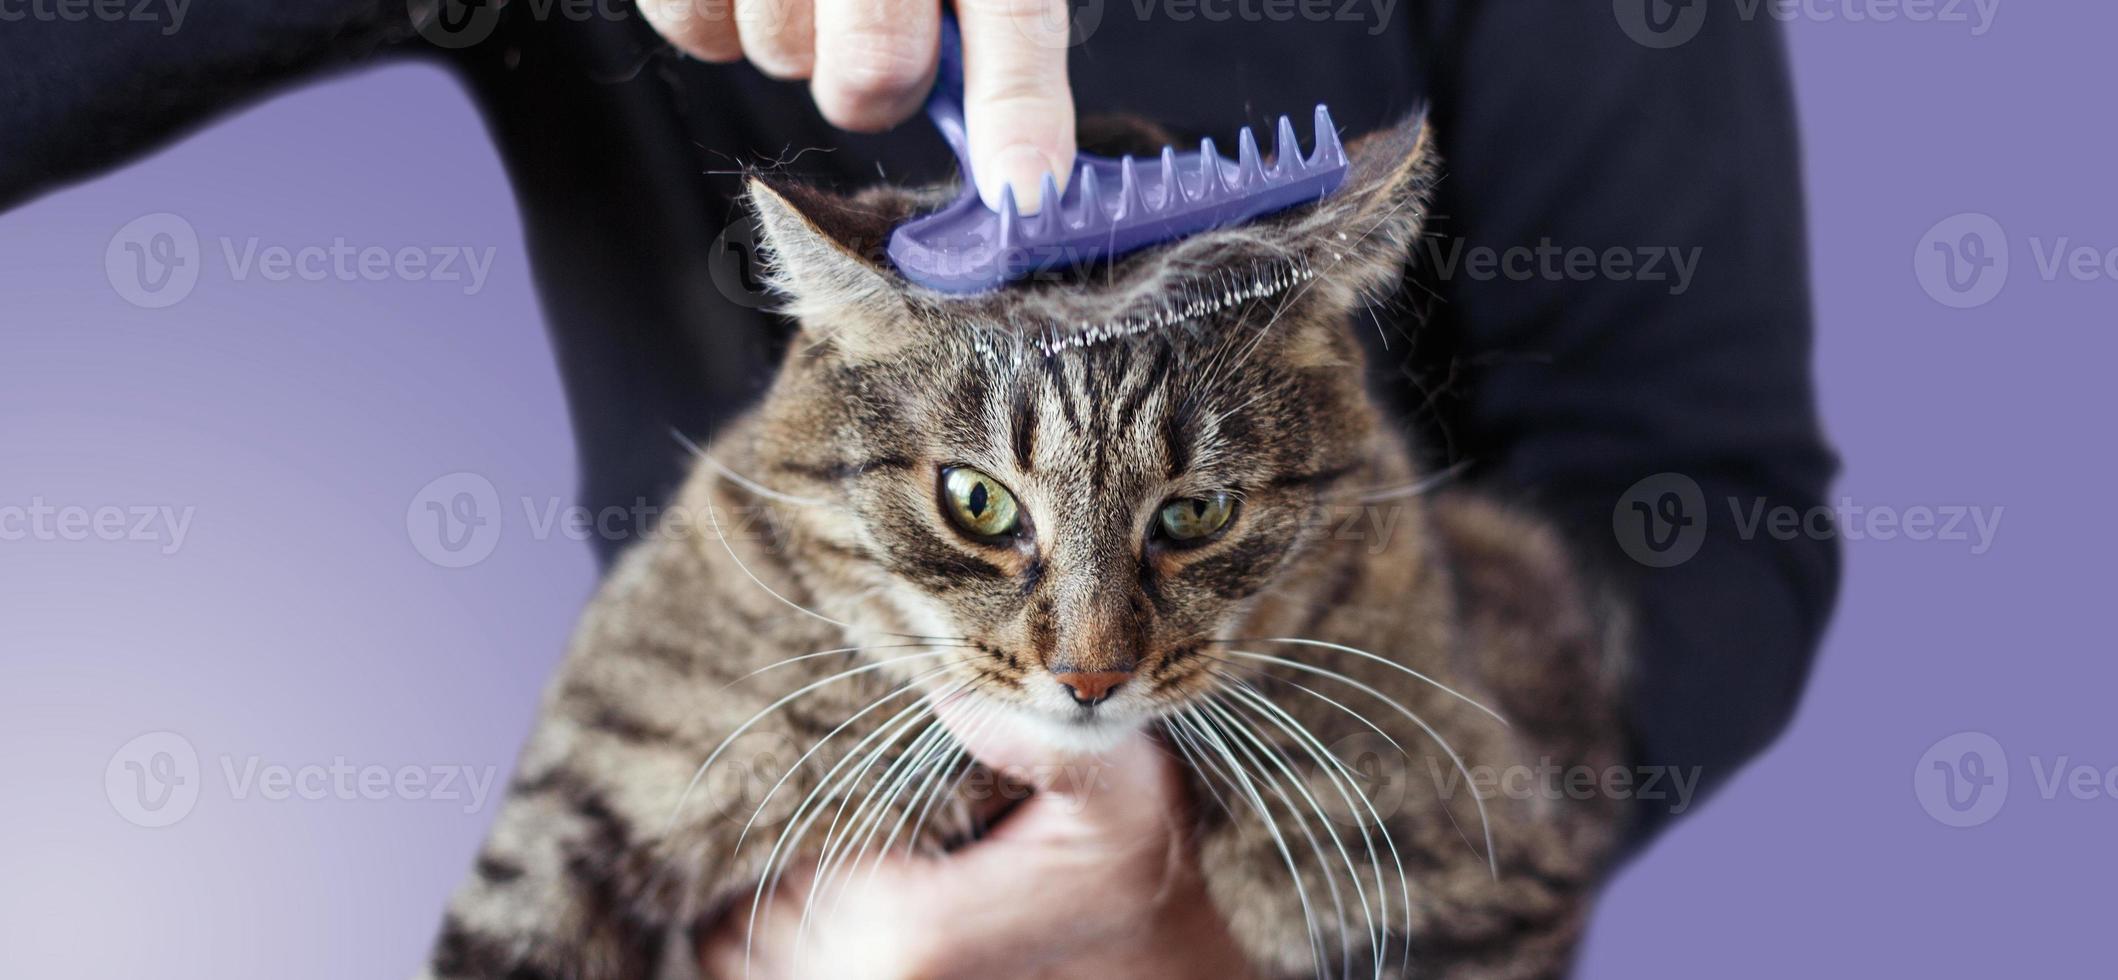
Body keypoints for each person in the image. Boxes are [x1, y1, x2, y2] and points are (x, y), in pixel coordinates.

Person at [0, 0, 1839, 973]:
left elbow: (1705, 485)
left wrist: (1259, 930)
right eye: (999, 529)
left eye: (1165, 535)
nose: (1088, 659)